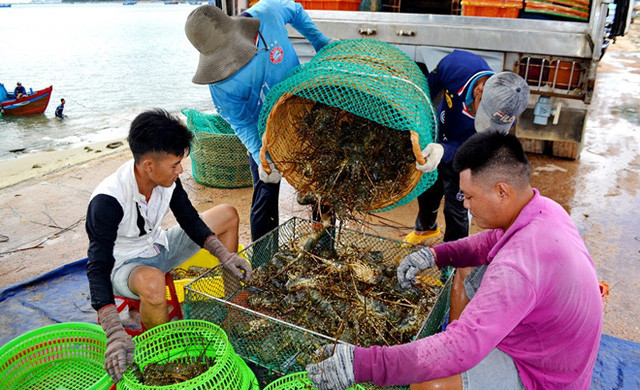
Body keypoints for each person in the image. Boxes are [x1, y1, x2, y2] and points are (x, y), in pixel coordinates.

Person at [307, 131, 603, 390]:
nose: (464, 204)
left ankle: (458, 358)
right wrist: (434, 254)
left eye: (469, 197)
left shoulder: (517, 267)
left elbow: (464, 346)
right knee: (466, 269)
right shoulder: (544, 209)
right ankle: (457, 344)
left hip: (543, 377)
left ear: (502, 191)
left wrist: (363, 364)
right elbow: (491, 242)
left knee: (431, 383)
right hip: (549, 348)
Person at [85, 109, 252, 383]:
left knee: (228, 214)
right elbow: (97, 266)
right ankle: (163, 354)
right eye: (175, 164)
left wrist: (223, 254)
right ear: (148, 164)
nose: (181, 170)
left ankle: (233, 307)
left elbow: (188, 218)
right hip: (124, 265)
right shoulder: (108, 200)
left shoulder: (167, 181)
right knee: (152, 285)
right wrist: (113, 329)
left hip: (158, 245)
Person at [185, 0, 332, 241]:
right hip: (262, 132)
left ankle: (324, 243)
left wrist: (318, 40)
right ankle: (265, 260)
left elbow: (295, 10)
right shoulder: (219, 86)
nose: (232, 62)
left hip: (302, 112)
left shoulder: (269, 13)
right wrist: (260, 155)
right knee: (265, 191)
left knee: (320, 184)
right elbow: (241, 123)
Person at [404, 51, 530, 246]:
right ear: (480, 90)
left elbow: (467, 148)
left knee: (457, 208)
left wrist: (443, 151)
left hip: (463, 157)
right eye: (484, 113)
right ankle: (425, 229)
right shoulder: (458, 65)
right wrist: (419, 117)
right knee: (428, 189)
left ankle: (452, 257)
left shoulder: (500, 121)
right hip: (438, 132)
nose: (487, 125)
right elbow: (428, 88)